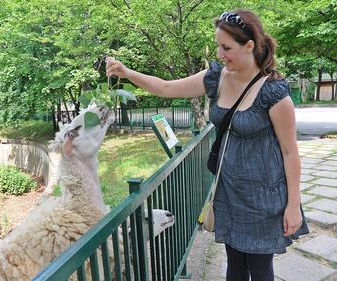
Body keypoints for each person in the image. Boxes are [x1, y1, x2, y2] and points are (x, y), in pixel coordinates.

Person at [106, 8, 309, 281]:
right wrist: (128, 72)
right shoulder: (217, 78)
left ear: (249, 46)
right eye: (218, 46)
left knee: (260, 269)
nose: (219, 54)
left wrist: (293, 205)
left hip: (264, 196)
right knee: (235, 265)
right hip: (229, 189)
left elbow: (289, 152)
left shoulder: (273, 92)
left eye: (226, 47)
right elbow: (166, 88)